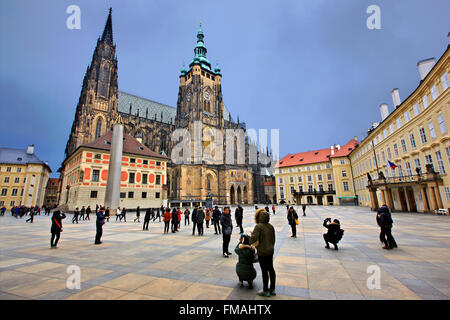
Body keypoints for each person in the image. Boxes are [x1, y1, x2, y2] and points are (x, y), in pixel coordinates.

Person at [250, 208, 276, 297]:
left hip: (262, 252)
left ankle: (265, 290)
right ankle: (272, 289)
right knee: (271, 269)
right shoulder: (270, 226)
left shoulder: (258, 226)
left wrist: (251, 237)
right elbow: (273, 239)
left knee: (264, 270)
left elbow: (253, 239)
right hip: (270, 250)